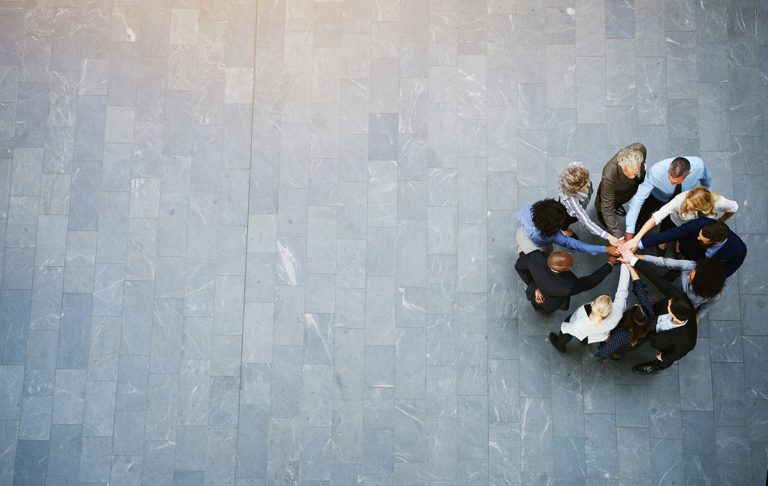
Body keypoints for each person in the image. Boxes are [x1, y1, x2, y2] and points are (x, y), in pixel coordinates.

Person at [620, 248, 726, 320]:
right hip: (674, 288)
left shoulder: (714, 296)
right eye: (690, 274)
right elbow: (665, 262)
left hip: (684, 305)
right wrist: (637, 257)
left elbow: (704, 308)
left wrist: (696, 320)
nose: (688, 276)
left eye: (691, 279)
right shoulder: (691, 266)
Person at [624, 187, 738, 253]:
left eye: (692, 207)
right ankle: (664, 243)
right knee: (667, 230)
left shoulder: (719, 203)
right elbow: (656, 217)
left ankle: (679, 242)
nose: (687, 208)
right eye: (687, 204)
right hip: (676, 222)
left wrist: (721, 221)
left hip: (698, 228)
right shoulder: (680, 200)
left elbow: (734, 207)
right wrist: (636, 239)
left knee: (687, 239)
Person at [623, 156, 712, 241]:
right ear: (669, 169)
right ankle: (638, 226)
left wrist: (705, 195)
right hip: (657, 196)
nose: (671, 183)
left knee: (670, 221)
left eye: (676, 182)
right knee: (644, 212)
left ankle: (663, 239)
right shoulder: (656, 172)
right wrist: (629, 230)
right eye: (670, 178)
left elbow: (706, 182)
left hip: (682, 200)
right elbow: (638, 199)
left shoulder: (699, 165)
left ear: (688, 174)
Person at [549, 264, 630, 353]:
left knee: (566, 330)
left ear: (593, 304)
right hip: (598, 334)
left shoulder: (579, 321)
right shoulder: (618, 311)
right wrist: (626, 264)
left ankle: (560, 345)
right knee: (586, 337)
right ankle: (584, 341)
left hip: (580, 329)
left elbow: (568, 329)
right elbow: (623, 289)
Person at [633, 218, 746, 278]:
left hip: (707, 267)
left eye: (702, 239)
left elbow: (728, 271)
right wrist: (639, 243)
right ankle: (677, 269)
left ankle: (678, 272)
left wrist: (707, 279)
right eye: (699, 234)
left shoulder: (738, 250)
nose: (697, 238)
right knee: (683, 261)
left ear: (716, 242)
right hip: (689, 250)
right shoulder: (700, 223)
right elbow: (673, 233)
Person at [514, 250, 617, 315]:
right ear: (563, 270)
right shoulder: (568, 286)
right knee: (547, 309)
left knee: (535, 303)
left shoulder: (535, 256)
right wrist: (610, 264)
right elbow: (590, 281)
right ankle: (542, 311)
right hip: (550, 300)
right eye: (571, 265)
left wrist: (535, 287)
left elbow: (519, 267)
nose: (573, 261)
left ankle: (537, 308)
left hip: (534, 291)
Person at [593, 263, 655, 362]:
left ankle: (615, 356)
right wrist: (630, 267)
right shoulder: (649, 314)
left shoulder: (622, 333)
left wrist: (601, 354)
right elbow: (641, 292)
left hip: (623, 343)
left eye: (635, 307)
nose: (636, 305)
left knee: (616, 351)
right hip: (636, 341)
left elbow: (609, 346)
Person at [516, 199, 619, 256]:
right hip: (537, 247)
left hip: (521, 233)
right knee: (546, 252)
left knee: (523, 246)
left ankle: (521, 250)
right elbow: (577, 245)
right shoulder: (554, 237)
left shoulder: (528, 210)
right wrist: (606, 249)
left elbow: (518, 216)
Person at [558, 162, 623, 247]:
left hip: (581, 203)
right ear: (576, 188)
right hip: (568, 213)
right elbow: (586, 222)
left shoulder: (579, 172)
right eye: (584, 185)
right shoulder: (571, 199)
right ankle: (564, 230)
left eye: (587, 180)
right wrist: (608, 237)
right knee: (566, 220)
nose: (588, 183)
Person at [631, 293, 697, 375]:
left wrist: (664, 356)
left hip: (665, 342)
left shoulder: (687, 340)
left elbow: (678, 353)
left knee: (664, 360)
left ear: (674, 314)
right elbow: (664, 286)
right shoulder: (682, 299)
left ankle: (654, 366)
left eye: (669, 305)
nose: (669, 301)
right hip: (656, 323)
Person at [594, 143, 647, 238]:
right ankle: (601, 217)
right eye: (629, 174)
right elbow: (607, 209)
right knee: (604, 208)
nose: (633, 177)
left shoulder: (640, 149)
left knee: (619, 200)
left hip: (625, 193)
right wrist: (619, 236)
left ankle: (617, 205)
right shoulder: (609, 175)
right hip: (613, 193)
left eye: (636, 172)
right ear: (621, 166)